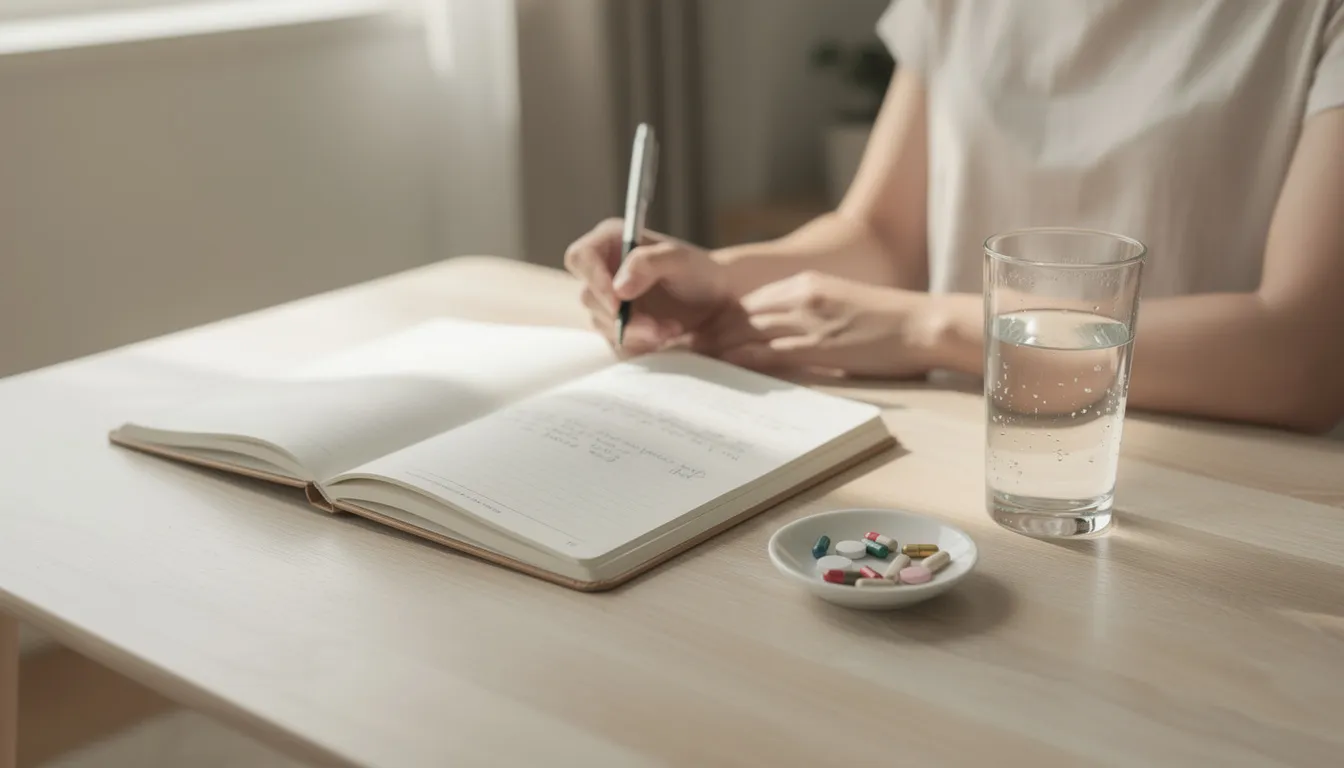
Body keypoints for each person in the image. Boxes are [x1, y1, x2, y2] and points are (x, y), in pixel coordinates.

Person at [564, 0, 1344, 435]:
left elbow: (1302, 357)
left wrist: (924, 328)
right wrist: (719, 275)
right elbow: (881, 235)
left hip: (1203, 473)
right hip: (958, 444)